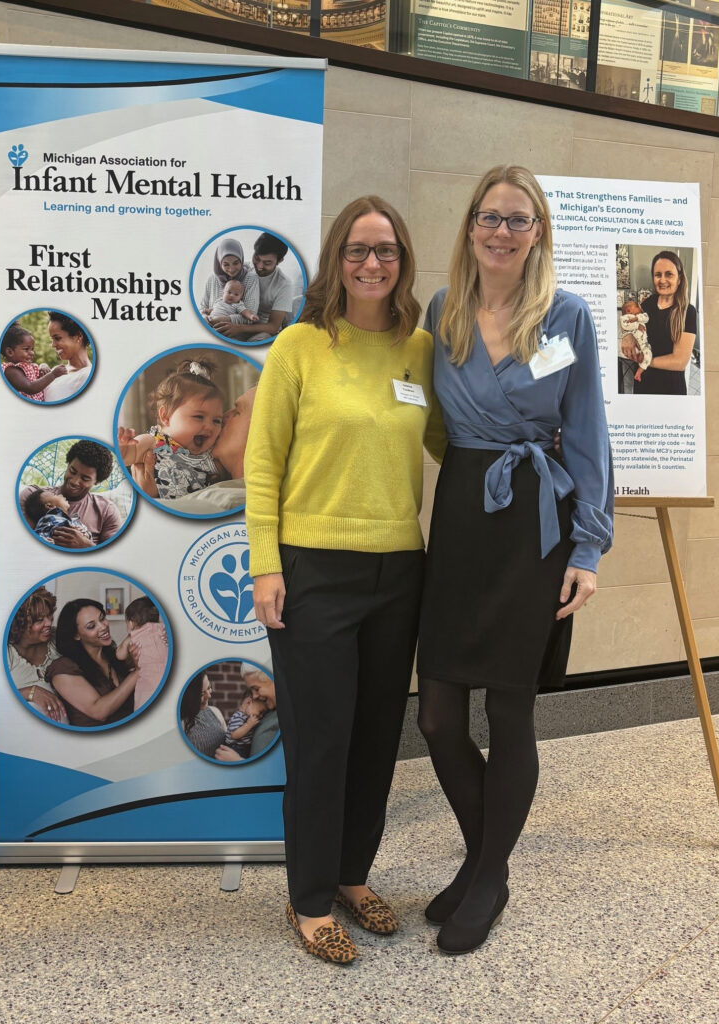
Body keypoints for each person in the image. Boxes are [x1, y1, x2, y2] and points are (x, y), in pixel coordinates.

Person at [417, 165, 613, 955]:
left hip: (535, 519)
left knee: (508, 709)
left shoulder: (565, 316)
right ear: (469, 226)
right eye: (490, 217)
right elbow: (426, 420)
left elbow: (588, 432)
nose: (502, 232)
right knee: (436, 715)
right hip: (463, 511)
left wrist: (588, 545)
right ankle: (483, 859)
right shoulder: (441, 311)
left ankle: (488, 875)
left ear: (538, 233)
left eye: (518, 220)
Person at [245, 195, 444, 964]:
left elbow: (448, 442)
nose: (371, 263)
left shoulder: (418, 349)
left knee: (374, 739)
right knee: (320, 742)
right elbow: (262, 462)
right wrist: (266, 565)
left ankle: (352, 877)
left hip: (399, 571)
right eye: (358, 250)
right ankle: (307, 900)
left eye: (385, 250)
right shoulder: (298, 346)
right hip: (314, 570)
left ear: (402, 262)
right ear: (337, 260)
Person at [117, 358, 225, 500]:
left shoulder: (211, 454)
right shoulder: (155, 442)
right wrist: (123, 447)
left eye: (217, 421)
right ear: (166, 416)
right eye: (199, 417)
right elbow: (128, 455)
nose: (210, 426)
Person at [47, 599, 138, 727]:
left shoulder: (112, 656)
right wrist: (138, 672)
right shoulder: (63, 667)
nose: (103, 626)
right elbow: (99, 711)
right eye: (91, 626)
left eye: (102, 618)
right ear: (76, 635)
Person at [20, 439, 123, 549]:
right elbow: (20, 541)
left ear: (96, 482)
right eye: (72, 471)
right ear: (68, 464)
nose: (74, 481)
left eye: (85, 478)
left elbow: (113, 554)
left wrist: (85, 545)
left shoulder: (107, 511)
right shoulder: (34, 496)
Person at [623, 251, 697, 396]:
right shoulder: (646, 304)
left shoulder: (688, 312)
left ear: (679, 279)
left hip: (670, 389)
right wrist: (628, 335)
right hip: (642, 383)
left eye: (669, 274)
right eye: (658, 275)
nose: (662, 280)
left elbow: (679, 362)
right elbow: (633, 326)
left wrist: (645, 361)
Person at [211, 233, 294, 343]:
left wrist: (239, 328)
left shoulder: (284, 284)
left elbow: (273, 326)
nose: (259, 266)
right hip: (235, 322)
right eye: (257, 258)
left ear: (279, 261)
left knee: (261, 338)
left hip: (261, 330)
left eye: (267, 263)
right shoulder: (243, 268)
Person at [7, 586, 69, 724]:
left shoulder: (58, 639)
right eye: (39, 620)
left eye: (49, 615)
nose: (49, 623)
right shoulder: (5, 653)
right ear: (20, 624)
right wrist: (29, 692)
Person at [115, 597, 168, 711]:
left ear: (131, 622)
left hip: (148, 684)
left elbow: (120, 655)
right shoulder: (164, 630)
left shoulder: (134, 636)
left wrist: (128, 637)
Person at [0, 322, 66, 401]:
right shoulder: (10, 371)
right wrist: (53, 374)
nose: (32, 353)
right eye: (26, 349)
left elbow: (39, 381)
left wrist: (43, 367)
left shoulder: (27, 367)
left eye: (32, 349)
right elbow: (30, 388)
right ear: (10, 352)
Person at [198, 237, 259, 322]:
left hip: (234, 329)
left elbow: (251, 317)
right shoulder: (212, 279)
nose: (231, 269)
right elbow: (202, 308)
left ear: (241, 260)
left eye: (236, 263)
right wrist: (204, 316)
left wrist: (225, 320)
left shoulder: (251, 278)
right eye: (226, 264)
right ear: (219, 263)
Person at [43, 313, 93, 402]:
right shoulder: (56, 371)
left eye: (57, 338)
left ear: (78, 336)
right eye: (52, 339)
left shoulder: (88, 376)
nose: (53, 345)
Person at [180, 672, 230, 759]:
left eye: (209, 688)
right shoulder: (181, 723)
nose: (209, 696)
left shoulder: (215, 712)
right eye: (201, 694)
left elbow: (229, 742)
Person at [23, 489, 93, 545]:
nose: (60, 495)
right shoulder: (48, 518)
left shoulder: (74, 520)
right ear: (49, 506)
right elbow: (40, 532)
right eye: (55, 495)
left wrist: (86, 534)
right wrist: (44, 540)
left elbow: (88, 535)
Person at [619, 297, 652, 384]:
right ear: (629, 310)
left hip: (644, 343)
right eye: (637, 306)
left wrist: (637, 318)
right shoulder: (626, 317)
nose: (640, 307)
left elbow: (646, 318)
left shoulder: (639, 317)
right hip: (634, 341)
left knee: (648, 354)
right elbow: (624, 325)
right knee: (634, 352)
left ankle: (640, 370)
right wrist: (637, 326)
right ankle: (638, 357)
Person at [224, 693, 266, 758]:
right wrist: (248, 725)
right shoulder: (238, 717)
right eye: (260, 712)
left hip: (244, 747)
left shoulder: (248, 717)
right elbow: (234, 735)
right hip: (236, 748)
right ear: (248, 702)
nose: (261, 716)